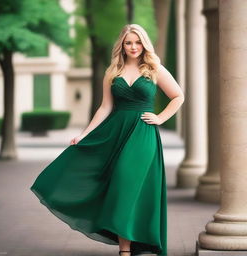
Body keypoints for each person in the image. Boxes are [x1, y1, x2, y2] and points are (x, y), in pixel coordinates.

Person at [30, 24, 184, 256]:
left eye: (138, 42)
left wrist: (161, 118)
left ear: (144, 44)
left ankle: (133, 243)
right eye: (128, 42)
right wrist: (85, 134)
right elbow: (105, 108)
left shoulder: (154, 69)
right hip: (115, 132)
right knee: (121, 188)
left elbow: (178, 96)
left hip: (143, 135)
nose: (134, 47)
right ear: (122, 45)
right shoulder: (112, 72)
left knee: (128, 187)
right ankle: (125, 250)